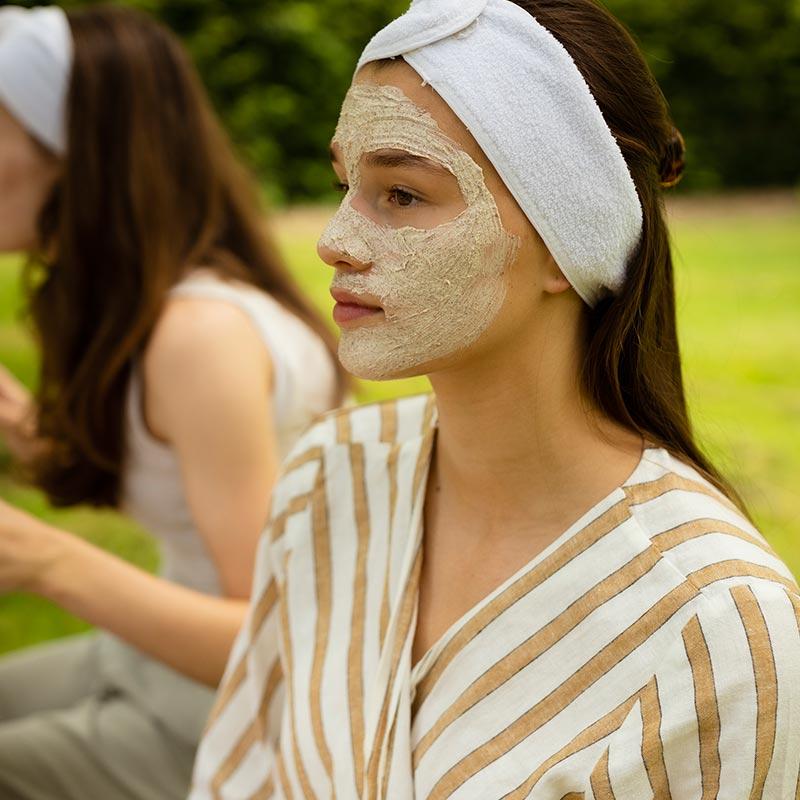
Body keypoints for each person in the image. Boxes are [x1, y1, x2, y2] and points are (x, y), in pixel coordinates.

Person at [191, 0, 800, 797]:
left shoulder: (718, 627)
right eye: (345, 184)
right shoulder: (330, 480)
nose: (334, 239)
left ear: (566, 240)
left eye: (402, 195)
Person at [0, 5, 345, 799]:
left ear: (75, 153)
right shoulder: (169, 302)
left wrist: (43, 559)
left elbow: (273, 640)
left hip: (234, 719)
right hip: (155, 661)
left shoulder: (200, 339)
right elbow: (159, 471)